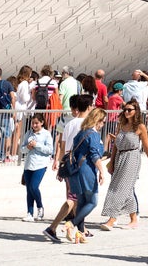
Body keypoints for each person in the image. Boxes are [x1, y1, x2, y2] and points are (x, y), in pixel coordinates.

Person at [42, 93, 91, 242]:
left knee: (77, 200)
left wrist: (60, 164)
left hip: (69, 163)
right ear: (89, 107)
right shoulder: (87, 125)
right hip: (80, 166)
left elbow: (63, 147)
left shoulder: (69, 124)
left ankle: (79, 231)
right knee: (74, 199)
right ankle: (52, 227)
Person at [101, 99, 148, 230]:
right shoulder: (121, 124)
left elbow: (147, 147)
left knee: (121, 188)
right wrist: (112, 162)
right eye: (125, 109)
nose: (126, 112)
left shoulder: (140, 127)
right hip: (120, 157)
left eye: (129, 110)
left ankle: (112, 218)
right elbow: (115, 147)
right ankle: (134, 219)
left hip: (132, 158)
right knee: (126, 189)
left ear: (136, 111)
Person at [65, 107, 107, 242]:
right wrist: (101, 171)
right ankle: (71, 223)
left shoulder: (81, 133)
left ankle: (80, 233)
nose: (103, 125)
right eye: (103, 122)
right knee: (93, 202)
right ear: (98, 120)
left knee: (82, 202)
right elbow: (95, 155)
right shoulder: (93, 135)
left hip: (76, 170)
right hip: (87, 170)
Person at [21, 113, 54, 221]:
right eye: (33, 123)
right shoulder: (28, 133)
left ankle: (40, 207)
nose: (34, 125)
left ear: (42, 123)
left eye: (36, 123)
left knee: (34, 187)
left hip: (40, 164)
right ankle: (29, 213)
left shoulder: (46, 134)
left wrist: (37, 145)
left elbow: (49, 150)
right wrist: (28, 147)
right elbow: (22, 149)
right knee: (28, 189)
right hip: (29, 164)